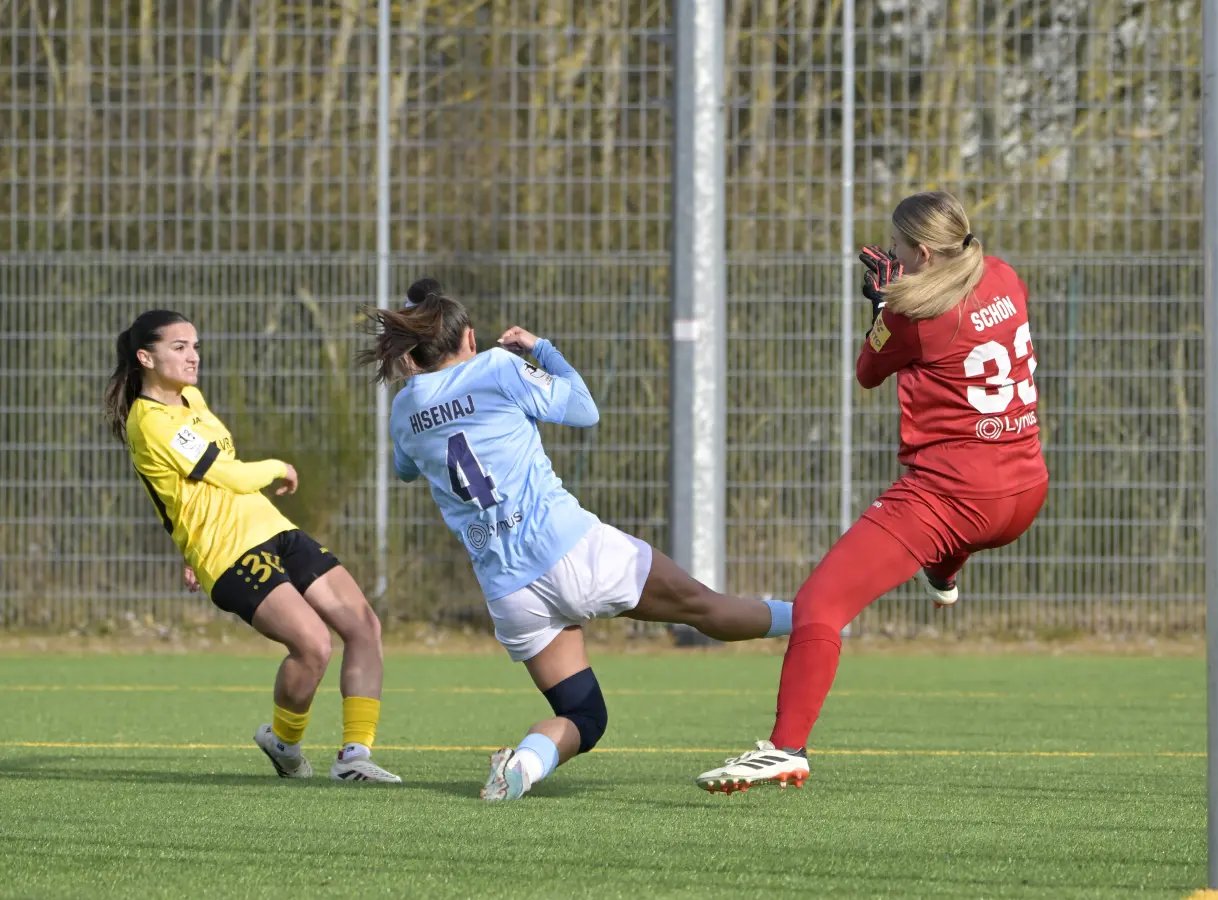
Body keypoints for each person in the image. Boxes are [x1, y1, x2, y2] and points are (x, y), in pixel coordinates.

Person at [364, 278, 793, 802]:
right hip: (571, 549)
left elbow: (407, 469)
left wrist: (421, 387)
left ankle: (522, 766)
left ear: (413, 353)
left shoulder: (405, 410)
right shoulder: (497, 368)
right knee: (705, 607)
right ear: (470, 339)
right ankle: (816, 615)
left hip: (510, 592)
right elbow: (585, 409)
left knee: (583, 716)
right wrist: (541, 350)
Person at [695, 191, 1049, 792]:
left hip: (953, 500)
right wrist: (904, 293)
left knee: (818, 606)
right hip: (1026, 492)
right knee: (945, 538)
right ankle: (945, 572)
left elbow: (867, 371)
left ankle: (785, 749)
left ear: (926, 252)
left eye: (901, 251)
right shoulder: (1005, 275)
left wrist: (887, 306)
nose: (893, 259)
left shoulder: (915, 319)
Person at [105, 310, 400, 783]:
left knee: (363, 624)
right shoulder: (151, 421)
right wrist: (278, 467)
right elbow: (227, 472)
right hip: (228, 553)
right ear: (145, 357)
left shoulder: (191, 399)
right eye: (178, 347)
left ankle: (353, 757)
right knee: (314, 646)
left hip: (272, 527)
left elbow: (183, 489)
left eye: (195, 345)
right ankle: (284, 742)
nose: (193, 356)